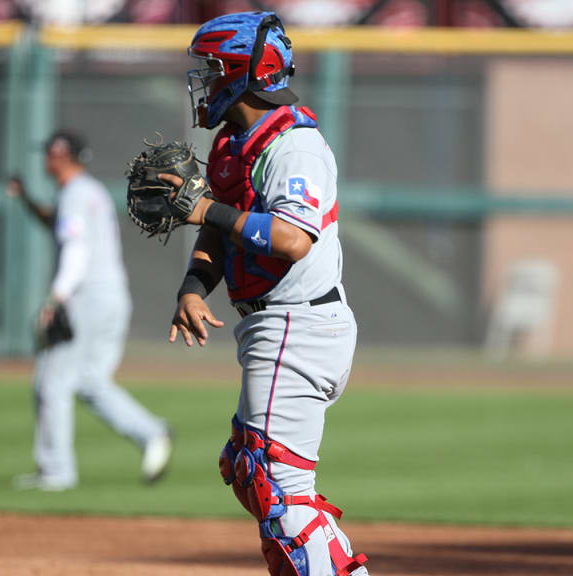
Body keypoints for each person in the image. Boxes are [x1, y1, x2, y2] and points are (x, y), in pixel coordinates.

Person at [158, 12, 369, 576]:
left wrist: (205, 208)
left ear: (240, 72)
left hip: (297, 326)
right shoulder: (235, 144)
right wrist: (194, 286)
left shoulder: (293, 145)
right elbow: (218, 230)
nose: (203, 80)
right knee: (250, 472)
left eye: (212, 68)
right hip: (276, 328)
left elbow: (291, 238)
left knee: (276, 487)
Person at [8, 130, 172, 491]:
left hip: (87, 296)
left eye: (49, 155)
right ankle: (150, 432)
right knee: (90, 381)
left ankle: (56, 471)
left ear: (61, 156)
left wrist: (58, 296)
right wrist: (27, 200)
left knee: (52, 381)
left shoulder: (74, 195)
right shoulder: (89, 191)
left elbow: (76, 249)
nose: (45, 161)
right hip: (113, 295)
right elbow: (57, 224)